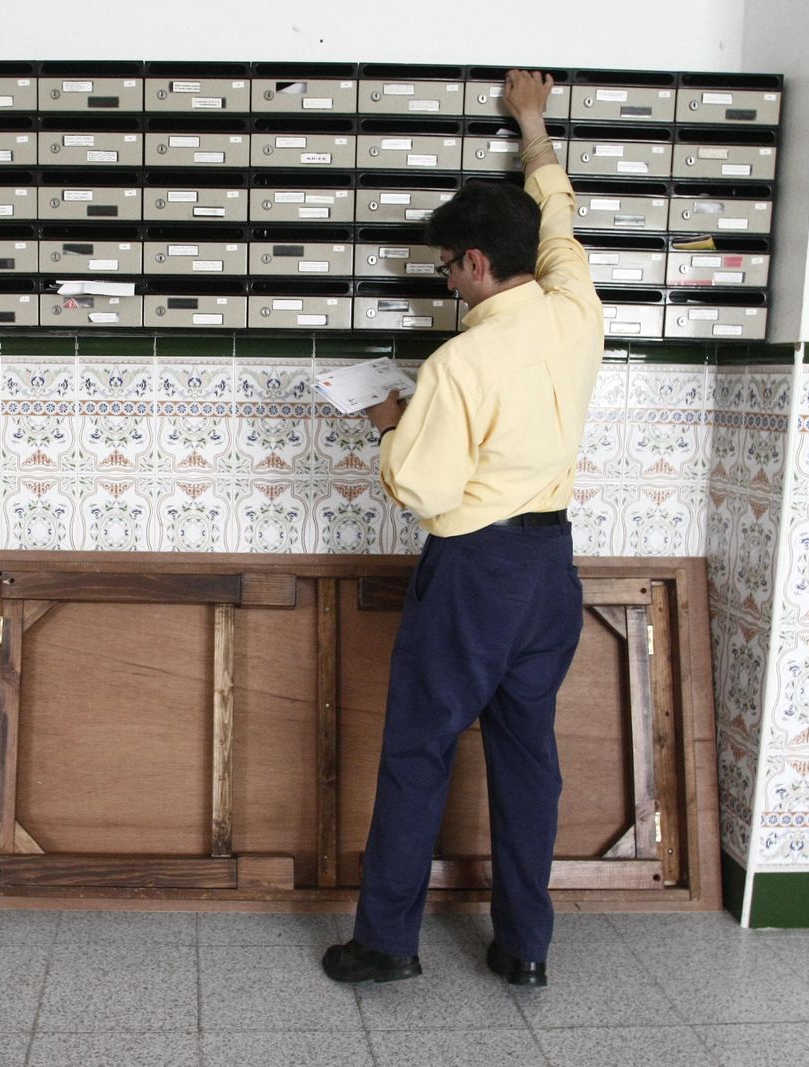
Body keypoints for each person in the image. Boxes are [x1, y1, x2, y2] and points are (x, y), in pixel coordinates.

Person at [322, 69, 603, 988]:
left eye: (446, 264)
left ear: (475, 264)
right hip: (551, 569)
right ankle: (525, 949)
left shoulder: (460, 361)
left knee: (418, 749)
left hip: (476, 570)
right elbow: (556, 214)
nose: (445, 279)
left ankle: (386, 943)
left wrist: (390, 420)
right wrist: (533, 123)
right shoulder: (577, 311)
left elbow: (419, 486)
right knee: (530, 760)